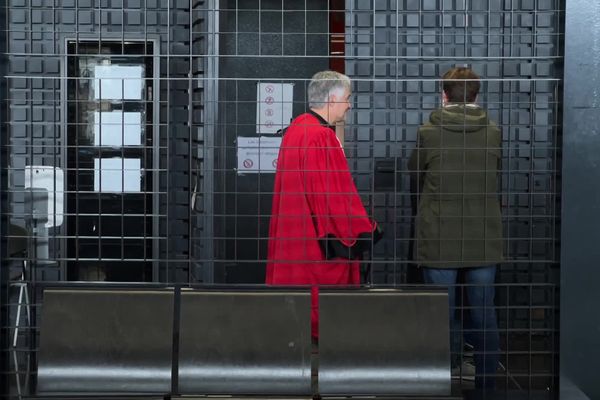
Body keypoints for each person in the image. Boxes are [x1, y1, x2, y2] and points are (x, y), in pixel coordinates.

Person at [266, 70, 381, 338]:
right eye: (347, 98)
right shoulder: (322, 137)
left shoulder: (296, 130)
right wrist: (363, 228)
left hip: (293, 240)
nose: (349, 105)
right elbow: (332, 197)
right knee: (323, 313)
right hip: (315, 246)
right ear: (332, 99)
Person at [408, 67, 502, 389]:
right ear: (476, 95)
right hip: (484, 236)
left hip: (438, 236)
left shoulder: (428, 132)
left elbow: (415, 177)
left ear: (444, 95)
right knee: (483, 313)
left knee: (440, 315)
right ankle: (487, 384)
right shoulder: (493, 132)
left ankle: (442, 380)